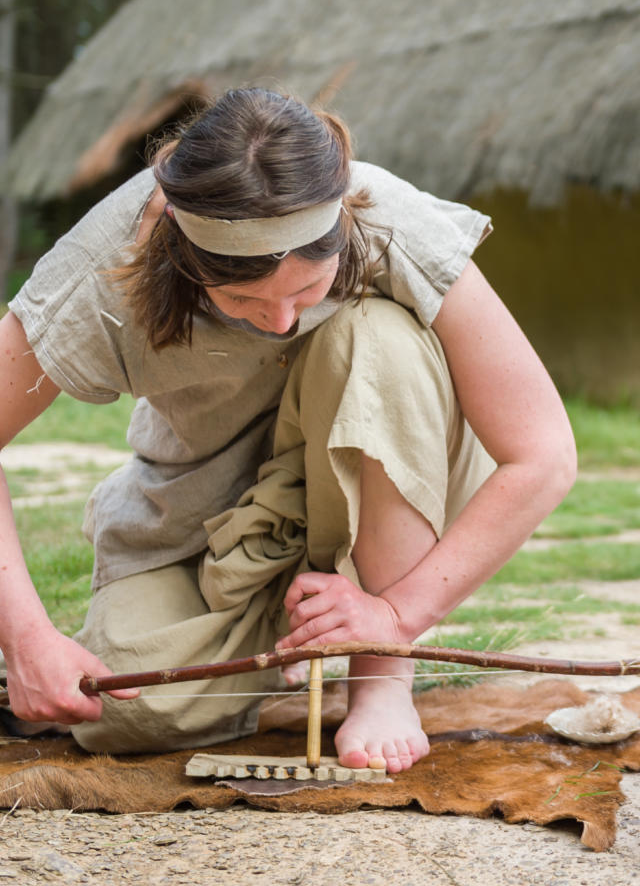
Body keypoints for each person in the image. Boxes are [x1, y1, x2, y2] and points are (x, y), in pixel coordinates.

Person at [0, 88, 576, 773]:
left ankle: (378, 675)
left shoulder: (388, 218)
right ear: (182, 259)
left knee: (377, 336)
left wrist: (397, 620)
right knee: (123, 707)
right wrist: (27, 638)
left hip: (383, 477)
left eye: (307, 293)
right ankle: (295, 640)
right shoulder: (105, 261)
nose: (278, 322)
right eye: (241, 300)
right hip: (211, 525)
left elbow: (543, 453)